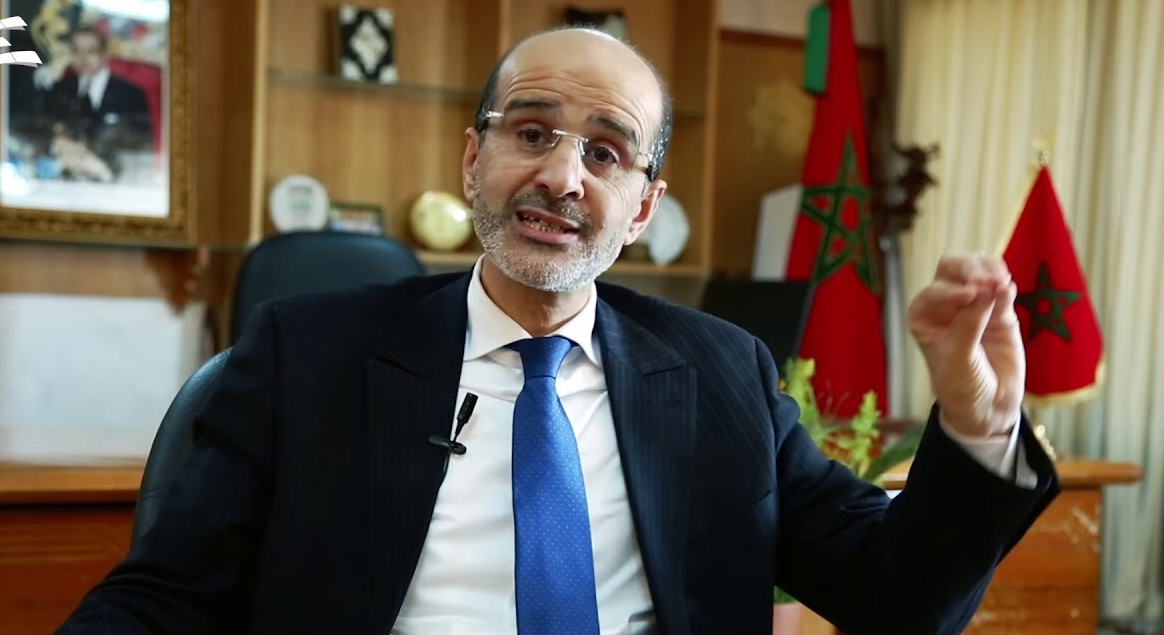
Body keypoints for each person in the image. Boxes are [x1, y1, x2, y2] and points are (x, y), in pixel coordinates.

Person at [57, 27, 1058, 635]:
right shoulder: (306, 353)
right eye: (532, 133)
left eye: (607, 153)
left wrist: (978, 423)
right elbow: (163, 600)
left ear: (644, 205)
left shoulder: (721, 373)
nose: (562, 177)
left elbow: (897, 600)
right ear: (473, 160)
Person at [41, 25, 153, 181]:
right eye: (76, 51)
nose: (82, 58)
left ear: (105, 53)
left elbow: (143, 142)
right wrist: (58, 143)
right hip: (65, 176)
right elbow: (41, 131)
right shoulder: (58, 90)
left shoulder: (131, 94)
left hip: (117, 176)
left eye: (91, 51)